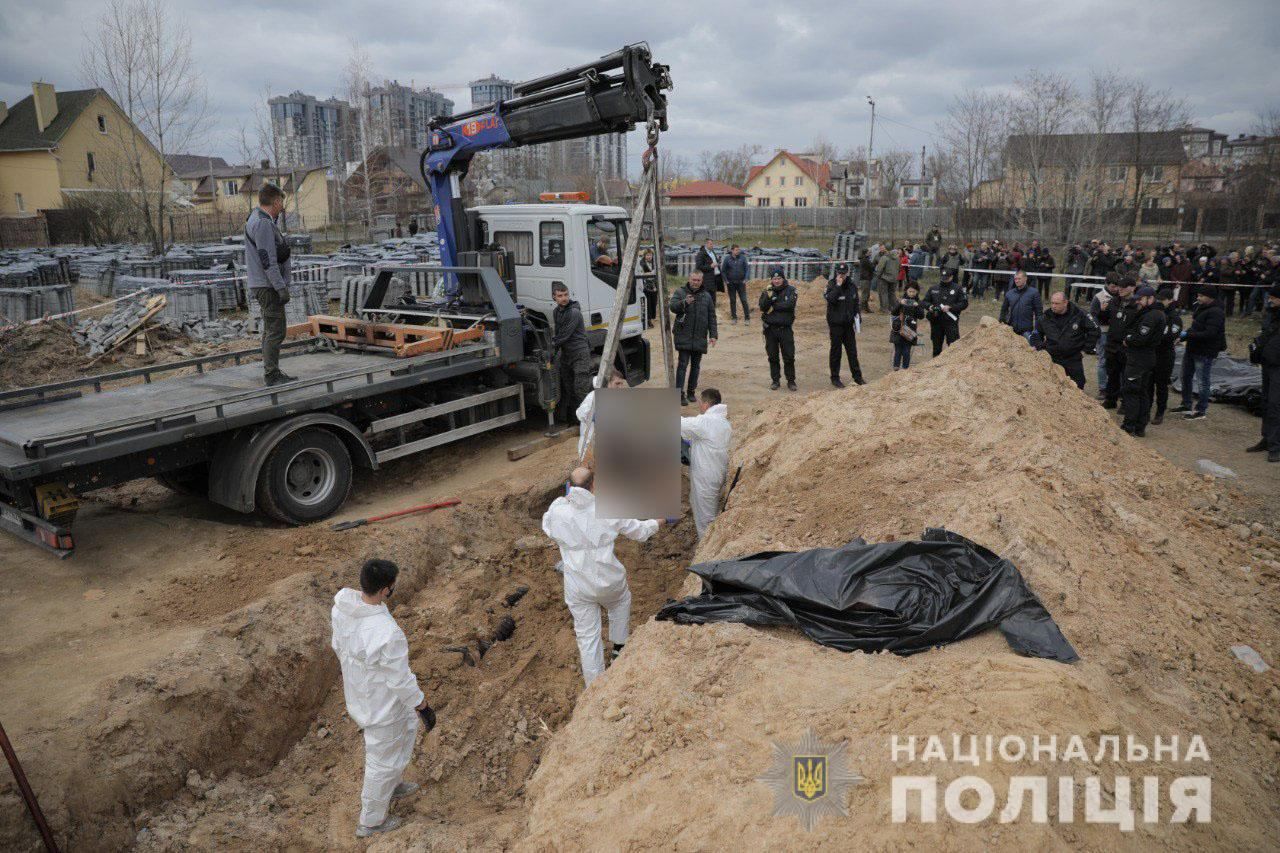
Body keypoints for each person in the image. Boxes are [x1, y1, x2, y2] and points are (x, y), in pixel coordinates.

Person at [331, 559, 427, 839]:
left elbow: (338, 645)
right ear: (386, 590)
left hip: (364, 690)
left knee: (405, 733)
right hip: (381, 706)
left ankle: (393, 785)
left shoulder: (343, 608)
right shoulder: (387, 634)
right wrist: (421, 703)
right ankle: (370, 822)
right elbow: (400, 679)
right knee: (381, 761)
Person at [541, 467, 665, 685]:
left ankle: (594, 686)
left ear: (569, 487)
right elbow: (641, 531)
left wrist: (566, 499)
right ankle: (619, 647)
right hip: (609, 580)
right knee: (620, 602)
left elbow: (549, 524)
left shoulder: (557, 512)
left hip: (578, 586)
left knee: (587, 637)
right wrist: (661, 520)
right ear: (594, 485)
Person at [245, 183, 294, 386]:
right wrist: (280, 287)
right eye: (281, 201)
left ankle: (272, 371)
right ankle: (272, 375)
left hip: (262, 283)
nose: (282, 206)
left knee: (270, 329)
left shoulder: (256, 218)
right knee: (276, 330)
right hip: (268, 285)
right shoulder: (263, 223)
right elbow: (267, 260)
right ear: (275, 201)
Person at [680, 388, 731, 537]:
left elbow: (679, 423)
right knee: (710, 512)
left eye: (700, 402)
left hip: (706, 478)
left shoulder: (706, 421)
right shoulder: (724, 422)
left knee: (706, 519)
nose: (699, 405)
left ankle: (707, 553)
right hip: (718, 473)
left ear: (707, 404)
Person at [1172, 285, 1226, 421]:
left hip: (1204, 352)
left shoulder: (1216, 312)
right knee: (1185, 377)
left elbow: (1209, 333)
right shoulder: (1201, 307)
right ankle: (1186, 404)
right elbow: (1196, 327)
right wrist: (1183, 336)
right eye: (1198, 295)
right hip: (1192, 348)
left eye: (1201, 296)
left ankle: (1201, 410)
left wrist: (1189, 335)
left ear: (1210, 297)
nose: (1198, 298)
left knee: (1202, 382)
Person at [1119, 286, 1166, 436]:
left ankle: (1130, 426)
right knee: (1142, 392)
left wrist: (1128, 339)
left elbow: (1140, 338)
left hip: (1139, 359)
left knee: (1132, 391)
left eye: (1141, 299)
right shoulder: (1151, 313)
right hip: (1145, 358)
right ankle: (1140, 427)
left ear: (1151, 299)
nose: (1138, 301)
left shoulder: (1152, 316)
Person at [669, 270, 717, 406]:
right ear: (689, 279)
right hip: (684, 335)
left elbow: (711, 317)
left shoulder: (707, 296)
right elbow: (672, 307)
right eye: (693, 280)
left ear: (702, 281)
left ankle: (691, 392)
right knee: (682, 365)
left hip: (699, 336)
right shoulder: (680, 292)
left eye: (698, 280)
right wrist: (684, 302)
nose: (695, 282)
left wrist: (713, 335)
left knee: (696, 366)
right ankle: (679, 394)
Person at [1038, 291, 1100, 389]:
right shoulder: (1046, 316)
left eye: (1057, 303)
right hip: (1052, 358)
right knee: (1052, 386)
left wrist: (1087, 348)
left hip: (1072, 358)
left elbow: (1095, 330)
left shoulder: (1079, 314)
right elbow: (1037, 334)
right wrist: (1039, 347)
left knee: (1078, 384)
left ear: (1065, 302)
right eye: (1052, 303)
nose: (1053, 306)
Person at [1246, 284, 1280, 462]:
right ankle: (1266, 439)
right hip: (1268, 364)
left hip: (1278, 367)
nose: (1269, 300)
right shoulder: (1271, 315)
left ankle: (1276, 446)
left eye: (1273, 298)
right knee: (1266, 403)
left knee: (1276, 405)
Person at [552, 282, 592, 420]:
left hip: (579, 353)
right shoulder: (556, 312)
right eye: (560, 295)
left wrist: (551, 346)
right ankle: (577, 419)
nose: (564, 298)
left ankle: (588, 419)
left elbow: (563, 335)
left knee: (580, 388)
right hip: (566, 354)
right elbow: (558, 333)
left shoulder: (574, 312)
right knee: (569, 388)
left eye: (565, 295)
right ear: (554, 298)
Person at [825, 263, 865, 387]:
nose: (841, 275)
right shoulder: (831, 284)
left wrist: (858, 317)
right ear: (836, 273)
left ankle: (857, 377)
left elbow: (856, 303)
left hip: (848, 325)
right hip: (836, 324)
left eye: (843, 273)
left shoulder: (852, 286)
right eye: (839, 273)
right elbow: (830, 299)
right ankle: (835, 378)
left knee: (852, 352)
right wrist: (838, 285)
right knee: (836, 352)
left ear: (847, 273)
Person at [1102, 277, 1138, 410]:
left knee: (1126, 376)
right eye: (1119, 287)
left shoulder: (1137, 304)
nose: (1120, 289)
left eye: (1124, 287)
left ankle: (1125, 403)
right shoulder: (1114, 301)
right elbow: (1105, 319)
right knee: (1112, 374)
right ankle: (1110, 399)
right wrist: (1103, 311)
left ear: (1133, 287)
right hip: (1112, 344)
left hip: (1127, 346)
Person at [759, 268, 798, 390]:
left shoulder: (791, 290)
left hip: (785, 329)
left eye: (779, 278)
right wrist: (769, 297)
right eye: (774, 279)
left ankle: (791, 381)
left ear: (783, 278)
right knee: (773, 356)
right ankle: (775, 380)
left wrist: (774, 304)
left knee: (789, 356)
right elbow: (762, 307)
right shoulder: (767, 291)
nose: (776, 281)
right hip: (770, 330)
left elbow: (790, 305)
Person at [576, 368, 628, 461]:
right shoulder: (593, 396)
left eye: (621, 383)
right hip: (591, 447)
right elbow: (580, 413)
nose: (620, 387)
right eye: (617, 384)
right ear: (607, 383)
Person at [1149, 288, 1183, 425]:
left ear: (1170, 300)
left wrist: (1154, 337)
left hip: (1165, 355)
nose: (1160, 302)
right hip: (1151, 353)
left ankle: (1160, 412)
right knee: (1148, 383)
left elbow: (1171, 336)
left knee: (1161, 385)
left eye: (1163, 300)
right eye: (1159, 299)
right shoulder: (1154, 312)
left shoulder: (1175, 318)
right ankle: (1146, 408)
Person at [923, 267, 967, 357]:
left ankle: (953, 365)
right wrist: (930, 307)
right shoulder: (933, 288)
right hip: (936, 320)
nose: (944, 280)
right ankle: (935, 365)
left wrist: (951, 307)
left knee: (953, 345)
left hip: (950, 321)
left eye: (946, 278)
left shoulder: (958, 288)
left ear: (951, 277)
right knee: (936, 346)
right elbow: (924, 301)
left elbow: (964, 303)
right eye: (943, 278)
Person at [999, 270, 1043, 343]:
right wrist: (1002, 324)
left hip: (1027, 331)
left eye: (1019, 278)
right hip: (1011, 330)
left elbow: (1039, 313)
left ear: (1025, 278)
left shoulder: (1034, 293)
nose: (1016, 281)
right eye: (1015, 279)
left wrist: (1037, 331)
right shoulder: (1009, 293)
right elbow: (1003, 310)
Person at [891, 281, 925, 370]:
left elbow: (921, 316)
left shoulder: (918, 302)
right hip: (899, 328)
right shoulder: (901, 300)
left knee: (906, 351)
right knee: (898, 349)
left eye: (913, 291)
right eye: (909, 291)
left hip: (910, 329)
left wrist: (917, 306)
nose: (911, 293)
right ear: (906, 291)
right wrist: (900, 304)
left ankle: (905, 369)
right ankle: (896, 367)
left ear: (917, 292)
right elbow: (893, 312)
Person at [721, 244, 751, 324]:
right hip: (731, 283)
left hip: (741, 282)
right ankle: (734, 318)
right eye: (736, 250)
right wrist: (726, 280)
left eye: (739, 250)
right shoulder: (727, 259)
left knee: (744, 300)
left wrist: (746, 278)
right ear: (732, 250)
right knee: (732, 300)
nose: (738, 251)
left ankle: (747, 318)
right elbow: (723, 270)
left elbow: (747, 269)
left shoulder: (743, 258)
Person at [694, 238, 722, 306]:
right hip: (706, 280)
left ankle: (712, 314)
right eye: (710, 244)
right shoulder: (701, 254)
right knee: (706, 299)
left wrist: (718, 263)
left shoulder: (713, 253)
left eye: (712, 244)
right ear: (706, 244)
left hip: (714, 279)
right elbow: (699, 267)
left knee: (713, 300)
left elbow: (714, 263)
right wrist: (710, 266)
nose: (712, 245)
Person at [873, 243, 898, 313]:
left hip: (884, 278)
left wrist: (878, 276)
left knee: (884, 293)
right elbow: (899, 267)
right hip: (894, 278)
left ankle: (885, 309)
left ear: (886, 249)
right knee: (892, 293)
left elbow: (880, 268)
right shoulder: (897, 258)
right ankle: (894, 308)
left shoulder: (884, 257)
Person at [638, 248, 658, 326]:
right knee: (647, 303)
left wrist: (649, 273)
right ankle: (648, 320)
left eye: (651, 255)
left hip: (654, 286)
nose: (649, 256)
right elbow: (642, 274)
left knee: (654, 302)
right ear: (644, 255)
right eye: (648, 255)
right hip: (645, 286)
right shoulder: (641, 263)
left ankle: (651, 318)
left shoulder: (654, 263)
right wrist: (651, 273)